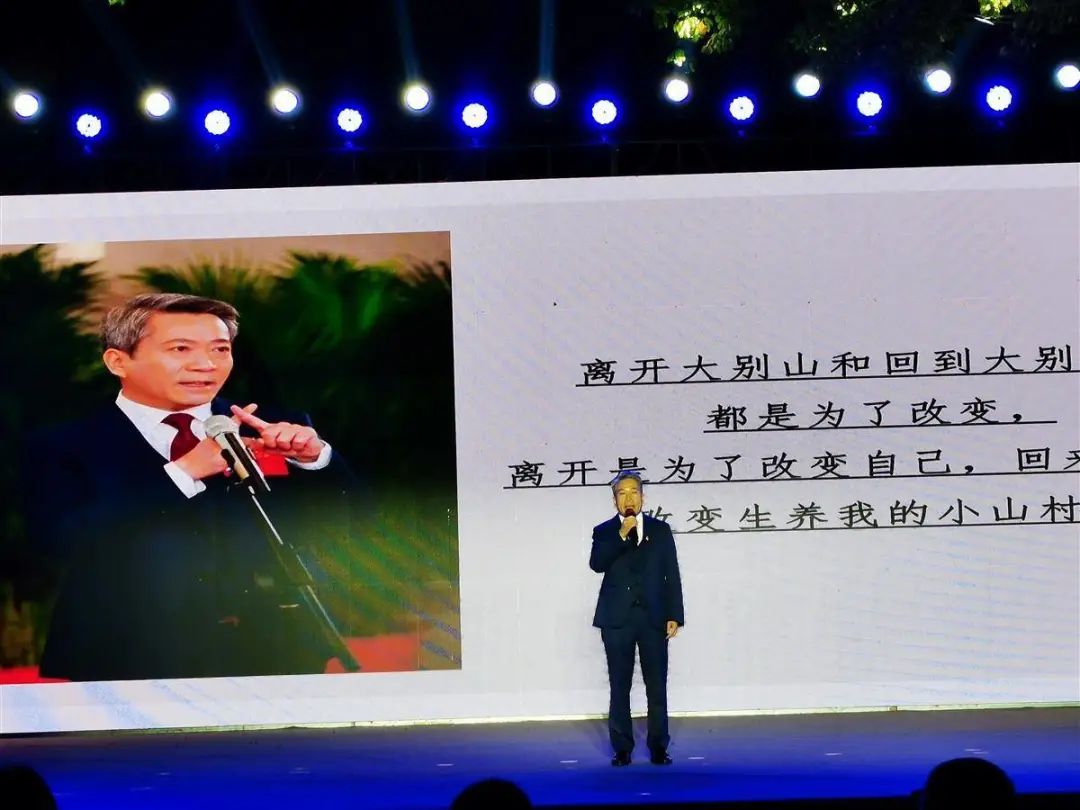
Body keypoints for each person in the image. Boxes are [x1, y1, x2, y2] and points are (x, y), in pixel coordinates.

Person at [19, 293, 359, 681]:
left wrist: (316, 459)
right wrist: (182, 472)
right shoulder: (63, 445)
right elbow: (59, 542)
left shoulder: (276, 426)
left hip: (277, 649)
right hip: (127, 655)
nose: (206, 364)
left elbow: (356, 521)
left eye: (220, 349)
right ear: (118, 361)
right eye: (181, 348)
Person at [589, 470, 684, 766]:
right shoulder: (604, 531)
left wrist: (675, 614)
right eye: (622, 493)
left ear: (643, 496)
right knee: (620, 686)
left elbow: (671, 574)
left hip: (653, 618)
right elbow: (597, 564)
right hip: (617, 620)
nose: (628, 498)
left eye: (634, 492)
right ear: (614, 500)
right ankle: (622, 748)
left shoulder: (661, 530)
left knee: (657, 686)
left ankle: (658, 747)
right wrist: (621, 534)